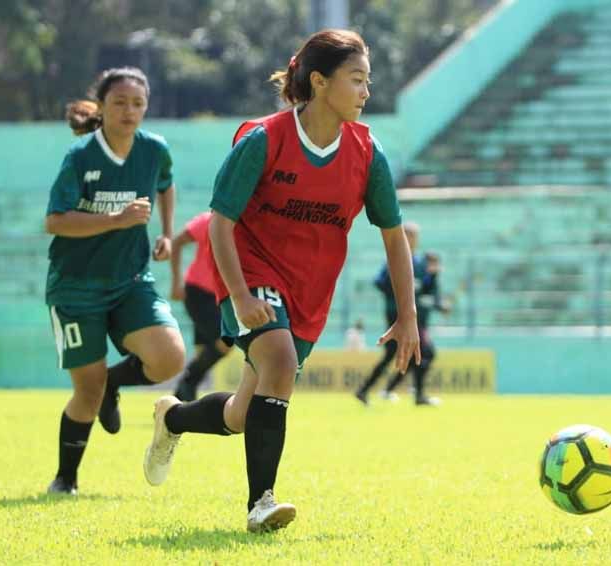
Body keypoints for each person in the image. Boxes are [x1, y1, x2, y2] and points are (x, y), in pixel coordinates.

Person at [142, 29, 420, 533]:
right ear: (318, 81)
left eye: (367, 81)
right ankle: (261, 503)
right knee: (280, 359)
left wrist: (408, 315)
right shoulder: (264, 140)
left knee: (241, 415)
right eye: (356, 79)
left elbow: (394, 236)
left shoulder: (366, 153)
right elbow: (220, 226)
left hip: (310, 290)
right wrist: (243, 295)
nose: (365, 92)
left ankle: (173, 418)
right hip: (250, 270)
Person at [44, 67, 186, 495]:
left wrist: (165, 232)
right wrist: (117, 219)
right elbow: (55, 221)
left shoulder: (154, 150)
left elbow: (166, 185)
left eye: (138, 104)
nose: (129, 111)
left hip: (131, 279)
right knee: (86, 392)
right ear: (102, 106)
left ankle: (116, 383)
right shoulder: (81, 156)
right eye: (120, 103)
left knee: (169, 358)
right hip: (75, 286)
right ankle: (65, 479)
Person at [354, 225, 449, 406]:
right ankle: (414, 395)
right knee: (423, 352)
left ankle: (367, 390)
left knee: (400, 355)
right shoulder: (394, 259)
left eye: (414, 235)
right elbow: (379, 282)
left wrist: (433, 279)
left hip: (416, 318)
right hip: (397, 316)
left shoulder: (420, 263)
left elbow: (425, 289)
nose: (412, 239)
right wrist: (397, 292)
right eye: (409, 235)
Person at [168, 211, 232, 401]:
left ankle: (185, 397)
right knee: (226, 340)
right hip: (198, 292)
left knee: (204, 348)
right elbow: (177, 241)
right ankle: (187, 382)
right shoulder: (210, 220)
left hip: (221, 296)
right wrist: (176, 281)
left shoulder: (248, 226)